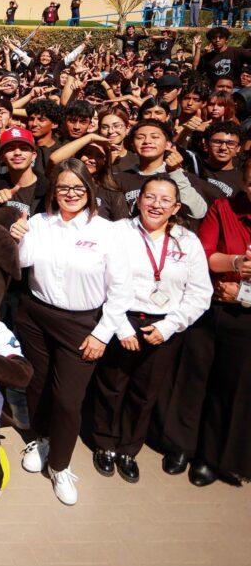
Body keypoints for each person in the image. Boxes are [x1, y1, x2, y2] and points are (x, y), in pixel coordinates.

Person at [9, 159, 133, 505]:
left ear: (90, 192)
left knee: (67, 399)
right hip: (35, 316)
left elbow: (121, 288)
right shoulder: (38, 222)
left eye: (78, 188)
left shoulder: (108, 231)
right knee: (36, 385)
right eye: (63, 187)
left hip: (82, 324)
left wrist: (102, 333)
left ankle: (61, 466)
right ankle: (43, 439)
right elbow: (21, 264)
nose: (70, 194)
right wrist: (16, 239)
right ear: (54, 191)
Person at [89, 176, 211, 483]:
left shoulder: (187, 240)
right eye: (150, 197)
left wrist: (169, 327)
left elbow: (200, 294)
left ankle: (129, 449)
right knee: (111, 386)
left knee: (144, 393)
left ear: (176, 207)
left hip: (164, 326)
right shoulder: (117, 232)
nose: (156, 205)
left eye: (164, 200)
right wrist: (120, 327)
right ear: (138, 200)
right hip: (121, 318)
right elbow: (99, 281)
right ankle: (104, 443)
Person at [162, 156, 251, 486]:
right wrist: (236, 262)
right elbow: (205, 253)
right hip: (212, 308)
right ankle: (180, 445)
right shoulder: (224, 208)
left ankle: (211, 455)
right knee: (192, 379)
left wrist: (242, 292)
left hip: (246, 318)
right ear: (243, 176)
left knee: (231, 389)